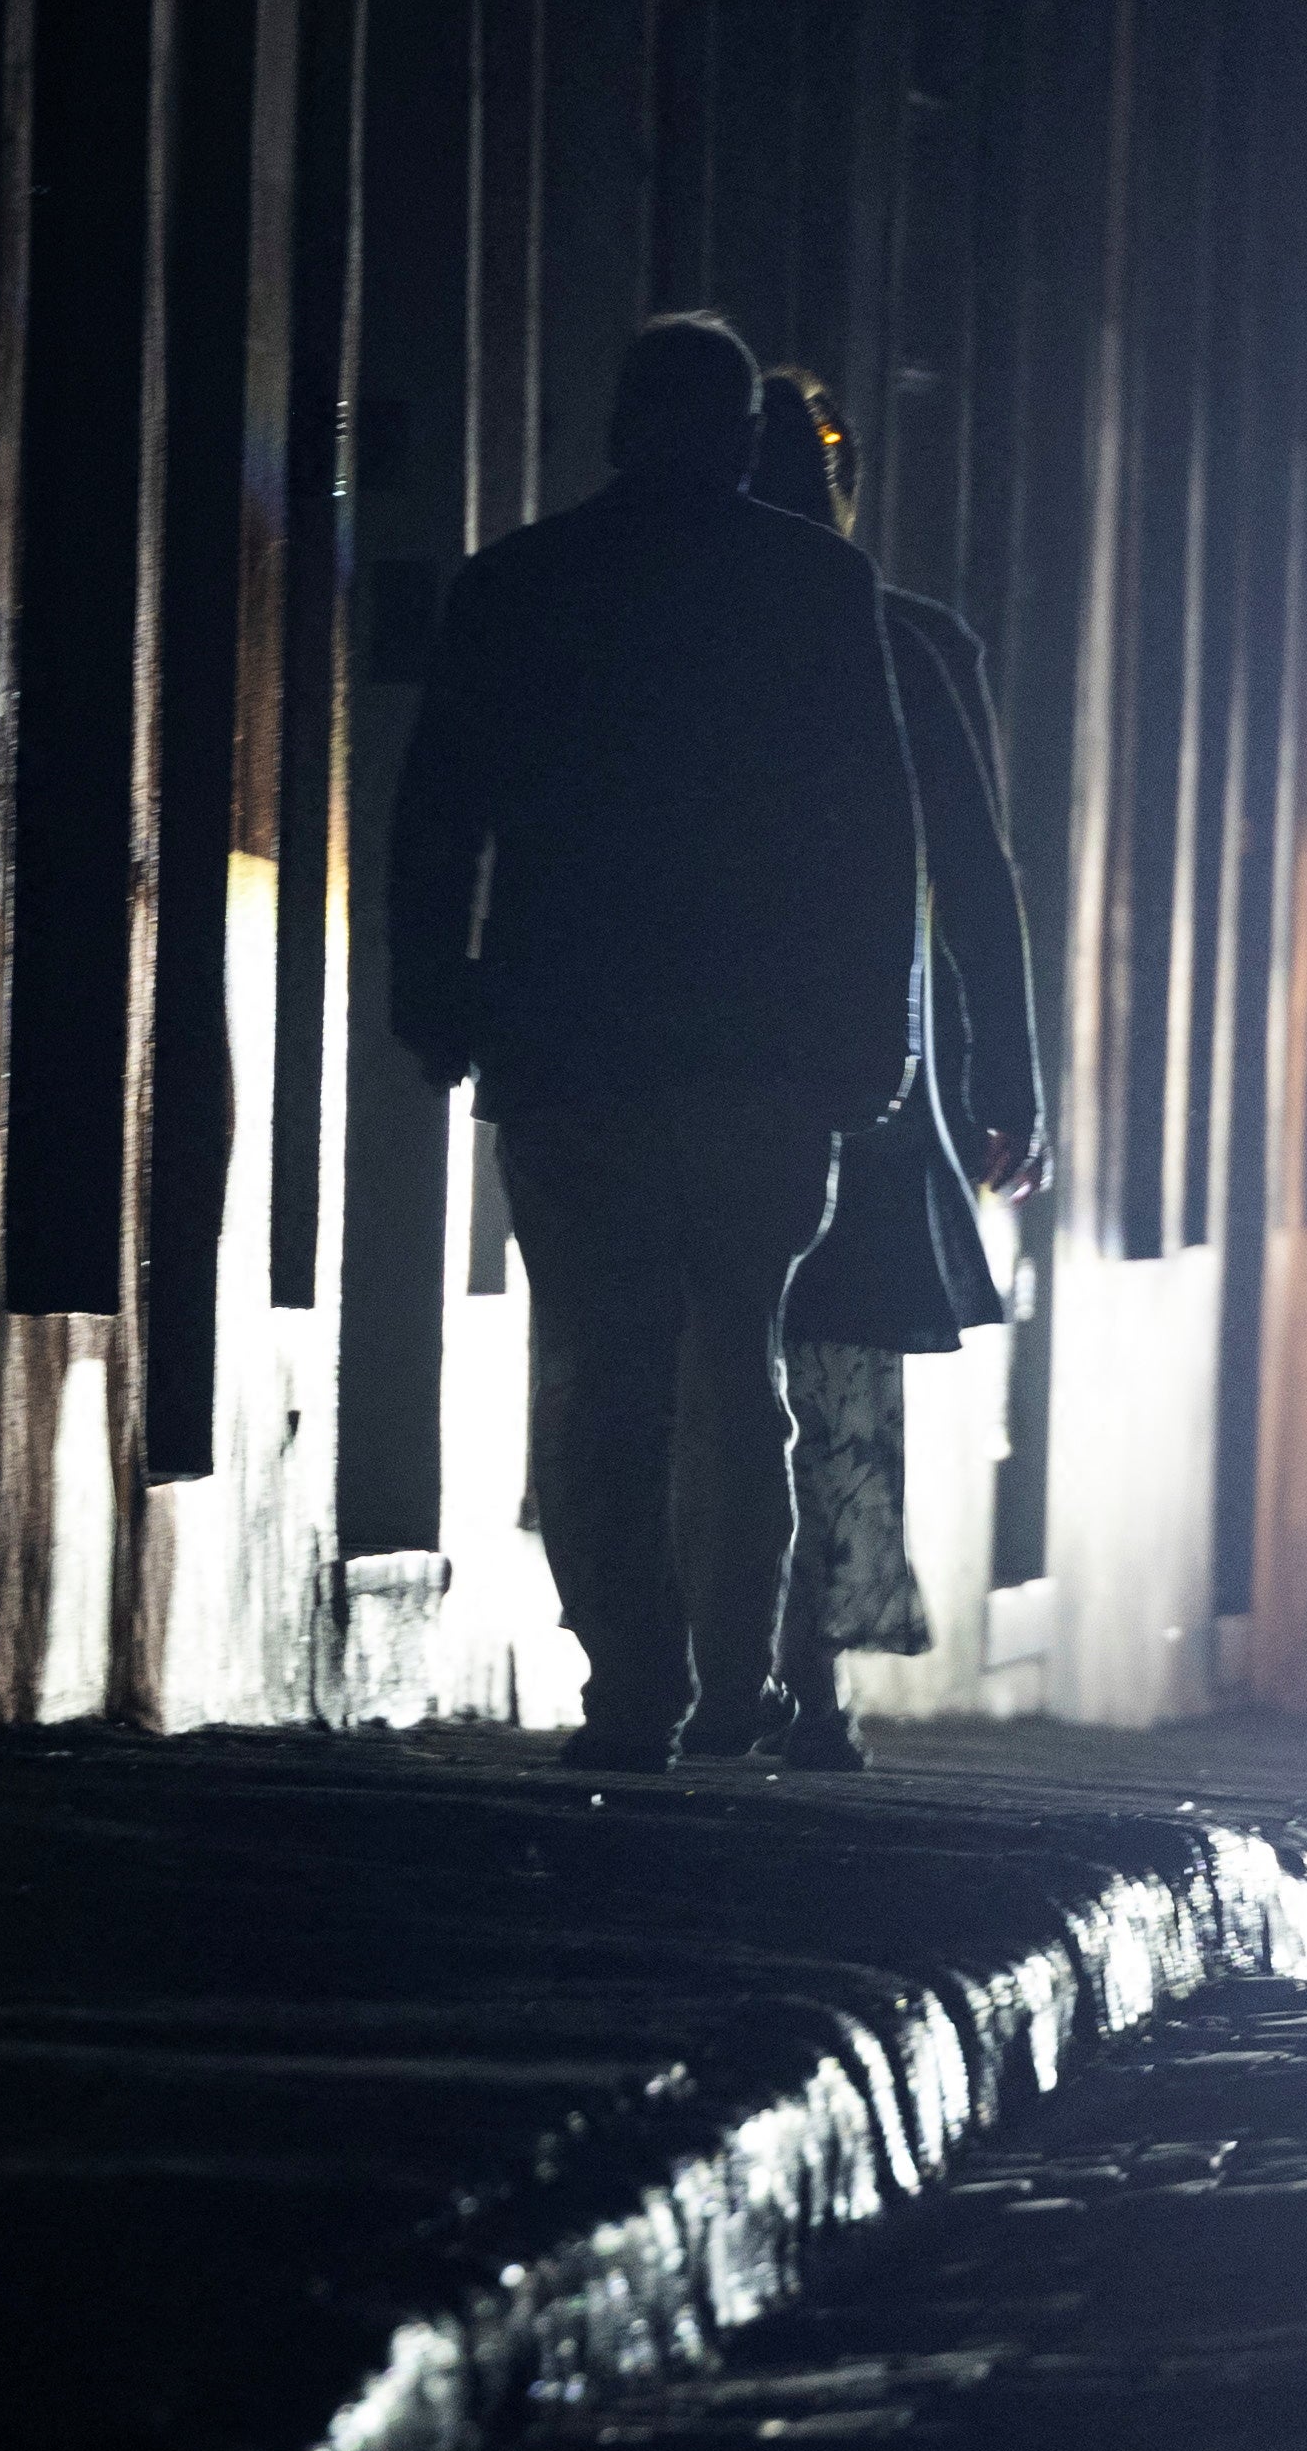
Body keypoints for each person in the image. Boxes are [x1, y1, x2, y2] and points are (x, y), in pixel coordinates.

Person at [385, 313, 924, 1768]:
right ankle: (736, 1673)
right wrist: (877, 1040)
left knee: (597, 1365)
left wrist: (434, 996)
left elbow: (441, 809)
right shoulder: (816, 584)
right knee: (737, 1364)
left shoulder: (522, 583)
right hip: (764, 1048)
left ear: (617, 426)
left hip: (573, 1035)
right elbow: (878, 835)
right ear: (747, 440)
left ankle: (631, 1676)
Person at [742, 367, 1053, 1769]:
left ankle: (747, 1665)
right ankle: (802, 1677)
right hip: (864, 1049)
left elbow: (980, 875)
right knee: (833, 1365)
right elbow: (980, 878)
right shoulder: (907, 640)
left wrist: (1006, 1077)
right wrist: (1007, 1081)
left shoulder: (685, 626)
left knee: (729, 1354)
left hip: (796, 1046)